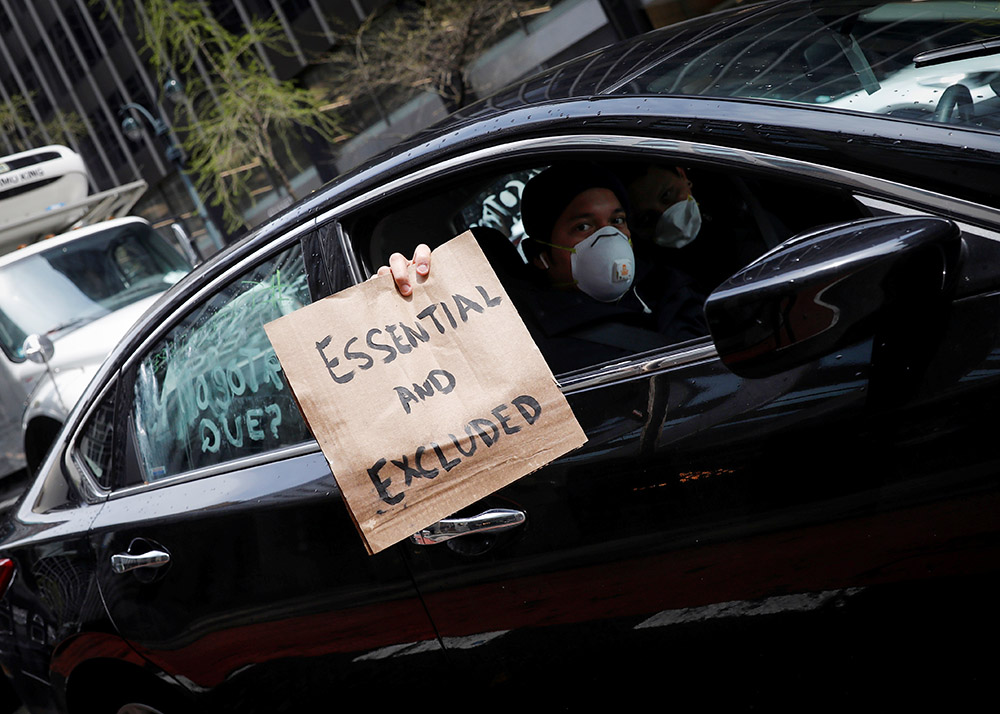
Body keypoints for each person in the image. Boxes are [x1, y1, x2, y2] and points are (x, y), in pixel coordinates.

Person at [379, 162, 707, 373]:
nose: (610, 237)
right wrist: (407, 295)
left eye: (617, 220)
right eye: (583, 226)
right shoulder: (524, 340)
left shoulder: (669, 286)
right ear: (541, 255)